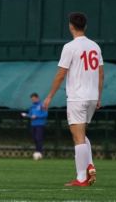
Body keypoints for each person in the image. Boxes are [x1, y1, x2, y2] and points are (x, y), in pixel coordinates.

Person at [43, 12, 104, 187]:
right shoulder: (95, 47)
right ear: (85, 26)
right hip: (92, 97)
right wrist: (99, 96)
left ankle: (82, 177)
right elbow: (101, 73)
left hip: (77, 97)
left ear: (71, 26)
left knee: (77, 137)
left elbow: (61, 74)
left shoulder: (70, 47)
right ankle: (89, 165)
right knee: (81, 135)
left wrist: (49, 96)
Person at [22, 92, 48, 158]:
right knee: (34, 138)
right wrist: (26, 115)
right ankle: (37, 151)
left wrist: (37, 116)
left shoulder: (42, 105)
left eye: (34, 99)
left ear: (37, 98)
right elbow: (31, 115)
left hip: (40, 124)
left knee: (39, 138)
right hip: (33, 124)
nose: (33, 100)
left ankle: (39, 152)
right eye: (32, 99)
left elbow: (45, 114)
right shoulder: (32, 106)